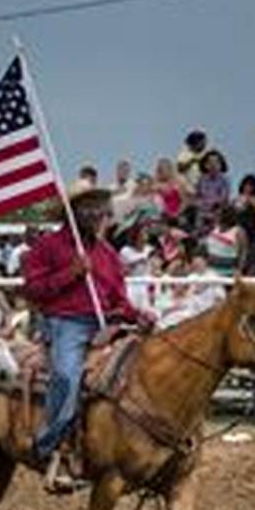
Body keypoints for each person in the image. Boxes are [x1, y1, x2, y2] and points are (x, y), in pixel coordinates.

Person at [20, 179, 153, 493]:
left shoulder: (108, 254)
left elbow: (118, 299)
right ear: (72, 211)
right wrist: (71, 274)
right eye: (87, 206)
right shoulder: (48, 247)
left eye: (98, 206)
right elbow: (32, 290)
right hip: (65, 323)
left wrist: (138, 316)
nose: (96, 212)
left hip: (106, 323)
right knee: (66, 376)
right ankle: (47, 444)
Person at [195, 150, 232, 222]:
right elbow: (198, 196)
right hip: (202, 212)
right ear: (205, 165)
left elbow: (223, 199)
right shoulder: (201, 179)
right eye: (210, 162)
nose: (213, 165)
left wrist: (210, 206)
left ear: (221, 165)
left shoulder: (224, 180)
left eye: (216, 162)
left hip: (218, 212)